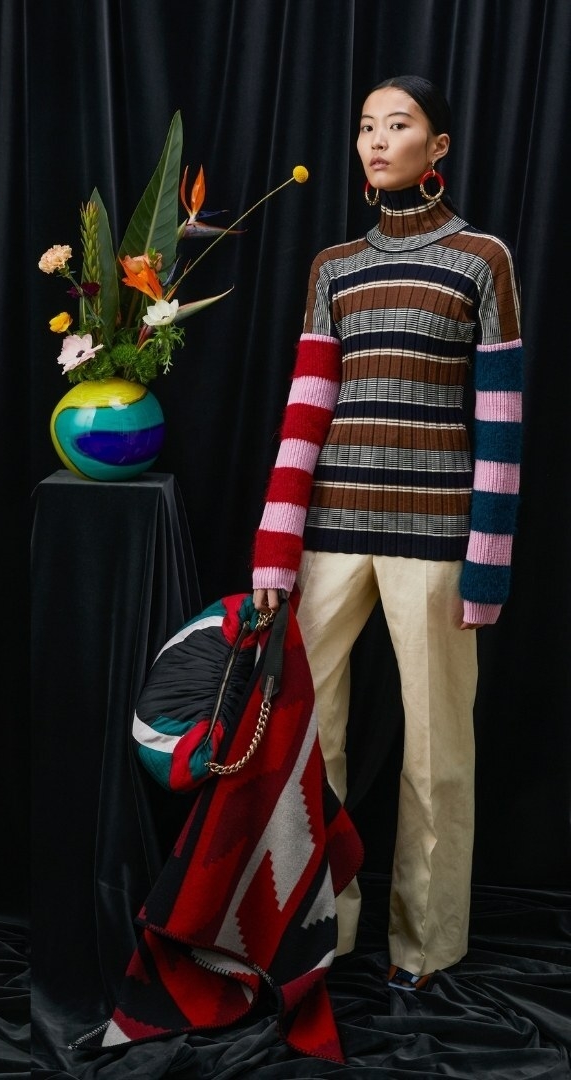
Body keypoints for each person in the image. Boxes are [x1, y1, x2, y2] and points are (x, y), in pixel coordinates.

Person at [250, 76, 523, 991]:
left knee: (437, 750)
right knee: (305, 738)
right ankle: (314, 928)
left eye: (397, 125)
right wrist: (274, 548)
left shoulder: (481, 259)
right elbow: (305, 412)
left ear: (436, 147)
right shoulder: (334, 266)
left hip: (436, 534)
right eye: (366, 125)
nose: (376, 139)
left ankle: (425, 945)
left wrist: (487, 564)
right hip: (330, 529)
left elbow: (502, 420)